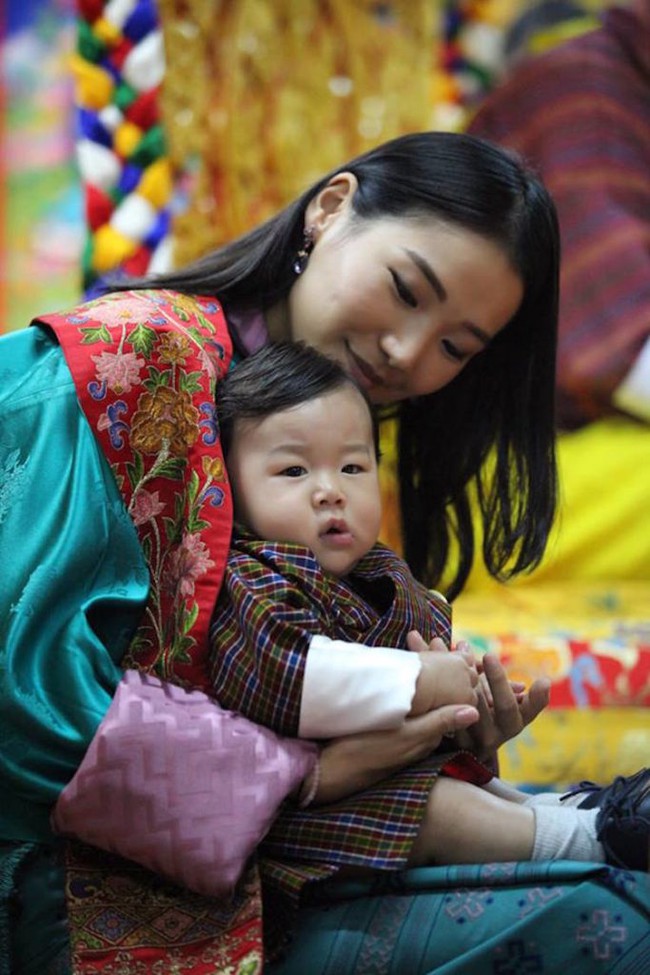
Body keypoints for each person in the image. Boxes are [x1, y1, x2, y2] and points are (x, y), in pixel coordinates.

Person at [1, 130, 648, 975]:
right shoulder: (126, 366)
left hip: (263, 857)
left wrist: (446, 731)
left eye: (456, 347)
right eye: (404, 290)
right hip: (64, 877)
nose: (408, 355)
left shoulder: (342, 442)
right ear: (330, 210)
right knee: (611, 920)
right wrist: (306, 775)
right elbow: (19, 691)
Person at [210, 340, 648, 949]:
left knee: (478, 790)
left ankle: (582, 815)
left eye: (353, 467)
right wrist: (420, 681)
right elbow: (296, 678)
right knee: (439, 808)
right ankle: (592, 838)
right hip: (309, 822)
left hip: (401, 774)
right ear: (229, 491)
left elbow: (430, 641)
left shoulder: (378, 571)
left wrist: (463, 689)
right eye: (293, 471)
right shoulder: (251, 579)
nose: (330, 491)